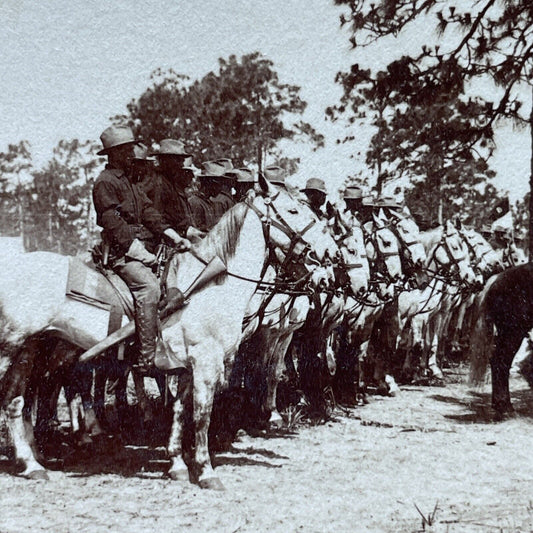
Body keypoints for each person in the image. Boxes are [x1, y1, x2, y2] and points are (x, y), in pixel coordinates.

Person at [92, 126, 190, 371]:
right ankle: (147, 358)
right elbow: (112, 222)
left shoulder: (129, 182)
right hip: (119, 253)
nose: (130, 154)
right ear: (112, 154)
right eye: (125, 150)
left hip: (134, 248)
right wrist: (139, 251)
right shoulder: (105, 182)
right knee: (149, 287)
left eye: (129, 149)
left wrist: (173, 235)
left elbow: (148, 212)